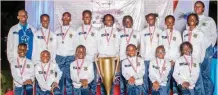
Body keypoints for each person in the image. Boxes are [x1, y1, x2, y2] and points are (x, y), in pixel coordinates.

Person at [193, 1, 216, 94]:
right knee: (196, 74)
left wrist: (209, 48)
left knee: (205, 74)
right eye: (195, 6)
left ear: (203, 8)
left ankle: (208, 93)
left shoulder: (209, 20)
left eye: (199, 6)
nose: (197, 8)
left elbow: (214, 35)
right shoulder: (191, 20)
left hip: (206, 50)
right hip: (195, 51)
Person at [96, 14, 119, 94]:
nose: (109, 21)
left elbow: (117, 44)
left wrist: (116, 55)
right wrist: (98, 55)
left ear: (113, 21)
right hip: (102, 58)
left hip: (112, 58)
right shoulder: (100, 32)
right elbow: (97, 44)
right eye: (107, 19)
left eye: (110, 19)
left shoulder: (116, 32)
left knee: (111, 79)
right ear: (104, 21)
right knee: (102, 79)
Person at [75, 10, 98, 95]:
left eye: (88, 17)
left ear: (91, 18)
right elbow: (76, 44)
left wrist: (97, 56)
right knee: (82, 78)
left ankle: (93, 93)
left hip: (92, 59)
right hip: (81, 59)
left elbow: (98, 44)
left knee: (93, 79)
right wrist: (76, 56)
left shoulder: (96, 30)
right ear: (82, 18)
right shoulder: (78, 30)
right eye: (85, 17)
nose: (87, 18)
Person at [55, 12, 77, 95]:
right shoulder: (56, 31)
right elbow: (54, 45)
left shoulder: (74, 32)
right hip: (59, 57)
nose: (66, 18)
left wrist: (75, 58)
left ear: (70, 19)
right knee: (59, 78)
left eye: (68, 17)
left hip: (70, 57)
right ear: (62, 18)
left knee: (69, 78)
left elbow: (76, 46)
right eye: (64, 17)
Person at [159, 15, 182, 94]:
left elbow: (180, 48)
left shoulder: (177, 33)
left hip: (174, 61)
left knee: (175, 77)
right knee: (166, 77)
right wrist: (165, 60)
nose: (169, 23)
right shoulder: (162, 33)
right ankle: (167, 92)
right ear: (165, 23)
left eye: (171, 22)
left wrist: (174, 60)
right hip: (165, 61)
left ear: (174, 23)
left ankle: (175, 92)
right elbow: (160, 48)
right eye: (168, 22)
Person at [140, 13, 162, 94]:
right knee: (145, 77)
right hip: (146, 58)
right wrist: (142, 57)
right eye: (148, 19)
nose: (150, 20)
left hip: (155, 59)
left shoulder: (160, 31)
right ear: (146, 21)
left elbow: (161, 46)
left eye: (152, 18)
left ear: (155, 20)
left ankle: (154, 92)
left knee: (155, 77)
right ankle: (145, 93)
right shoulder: (143, 32)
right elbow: (142, 45)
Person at [118, 15, 140, 95]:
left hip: (133, 58)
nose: (128, 22)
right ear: (123, 23)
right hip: (123, 58)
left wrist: (138, 54)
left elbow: (139, 45)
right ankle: (123, 93)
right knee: (123, 78)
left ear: (132, 22)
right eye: (126, 21)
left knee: (133, 75)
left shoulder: (137, 33)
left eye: (129, 21)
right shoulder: (119, 33)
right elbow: (117, 46)